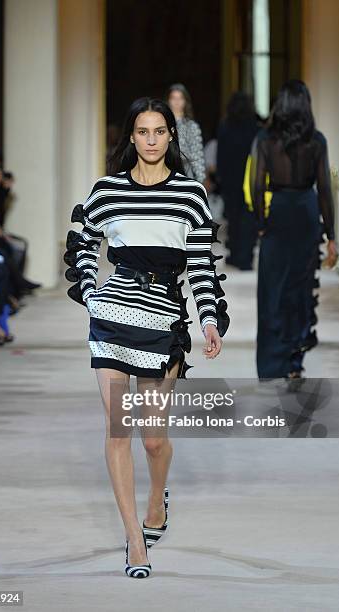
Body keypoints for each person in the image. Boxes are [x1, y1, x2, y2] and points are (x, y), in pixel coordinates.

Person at [65, 97, 230, 578]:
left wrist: (209, 319)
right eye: (143, 131)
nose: (152, 140)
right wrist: (92, 292)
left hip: (164, 321)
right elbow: (82, 243)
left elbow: (200, 264)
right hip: (113, 318)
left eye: (160, 131)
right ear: (131, 136)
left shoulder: (189, 195)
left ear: (171, 137)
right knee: (119, 432)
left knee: (154, 440)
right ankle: (135, 541)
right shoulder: (107, 191)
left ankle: (157, 502)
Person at [251, 80, 337, 379]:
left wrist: (261, 223)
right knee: (300, 290)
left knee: (273, 288)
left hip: (279, 214)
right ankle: (294, 363)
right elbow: (325, 188)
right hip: (307, 213)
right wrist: (332, 235)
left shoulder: (265, 139)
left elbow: (257, 183)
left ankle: (272, 363)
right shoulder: (317, 141)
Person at [217, 92, 260, 270]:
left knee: (233, 218)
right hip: (250, 177)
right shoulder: (255, 128)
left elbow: (221, 156)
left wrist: (220, 178)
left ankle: (235, 254)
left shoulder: (225, 127)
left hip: (231, 178)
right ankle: (246, 257)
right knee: (249, 218)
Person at [166, 83, 207, 186]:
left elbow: (197, 156)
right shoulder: (161, 125)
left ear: (185, 101)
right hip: (163, 171)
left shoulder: (191, 126)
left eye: (180, 98)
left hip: (184, 172)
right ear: (168, 100)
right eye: (173, 98)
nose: (177, 102)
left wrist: (200, 182)